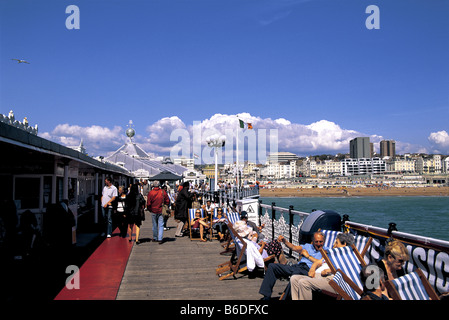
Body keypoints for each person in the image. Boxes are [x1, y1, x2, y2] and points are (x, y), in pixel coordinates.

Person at [259, 231, 328, 300]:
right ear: (312, 241)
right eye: (316, 242)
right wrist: (285, 241)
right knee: (272, 266)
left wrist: (308, 256)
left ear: (324, 241)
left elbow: (320, 263)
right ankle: (266, 296)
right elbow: (294, 248)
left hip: (308, 270)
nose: (319, 244)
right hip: (297, 267)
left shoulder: (326, 251)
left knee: (294, 276)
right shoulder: (307, 246)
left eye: (320, 241)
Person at [289, 232, 355, 300]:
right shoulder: (333, 253)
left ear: (344, 244)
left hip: (332, 281)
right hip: (318, 276)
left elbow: (344, 269)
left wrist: (328, 271)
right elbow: (318, 262)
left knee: (304, 283)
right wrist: (312, 269)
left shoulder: (348, 256)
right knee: (294, 279)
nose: (334, 245)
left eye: (336, 243)